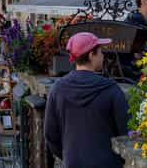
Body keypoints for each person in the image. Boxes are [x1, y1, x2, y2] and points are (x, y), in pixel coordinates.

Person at [44, 32, 128, 168]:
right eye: (100, 52)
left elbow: (50, 134)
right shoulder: (110, 89)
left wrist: (67, 155)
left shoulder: (57, 89)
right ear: (91, 55)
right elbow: (126, 131)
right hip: (108, 163)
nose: (103, 56)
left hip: (73, 162)